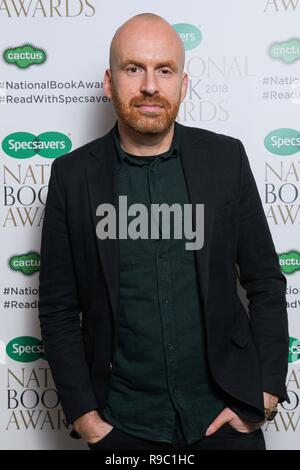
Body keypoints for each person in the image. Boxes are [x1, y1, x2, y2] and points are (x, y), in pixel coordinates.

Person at [38, 13, 289, 450]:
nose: (150, 86)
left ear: (183, 84)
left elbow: (266, 282)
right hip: (124, 429)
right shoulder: (71, 176)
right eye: (133, 68)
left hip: (224, 420)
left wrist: (263, 395)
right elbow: (58, 308)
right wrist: (90, 422)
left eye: (164, 70)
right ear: (109, 82)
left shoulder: (226, 160)